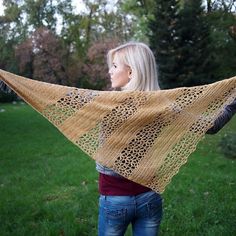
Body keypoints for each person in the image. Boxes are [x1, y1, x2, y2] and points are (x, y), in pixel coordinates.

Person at [96, 42, 236, 236]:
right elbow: (211, 126)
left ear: (131, 72)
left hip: (115, 198)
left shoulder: (107, 105)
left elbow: (108, 161)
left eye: (114, 66)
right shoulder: (164, 106)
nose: (110, 71)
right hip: (149, 198)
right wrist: (232, 103)